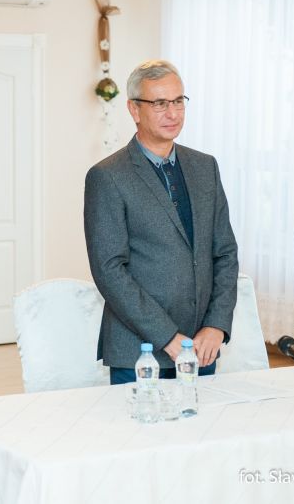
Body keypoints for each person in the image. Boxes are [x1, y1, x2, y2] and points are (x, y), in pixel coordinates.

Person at [83, 59, 239, 383]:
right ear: (134, 109)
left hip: (202, 347)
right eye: (159, 103)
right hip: (138, 353)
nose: (173, 113)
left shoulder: (205, 167)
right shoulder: (107, 176)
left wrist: (216, 325)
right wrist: (167, 336)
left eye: (179, 101)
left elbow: (225, 253)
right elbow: (109, 270)